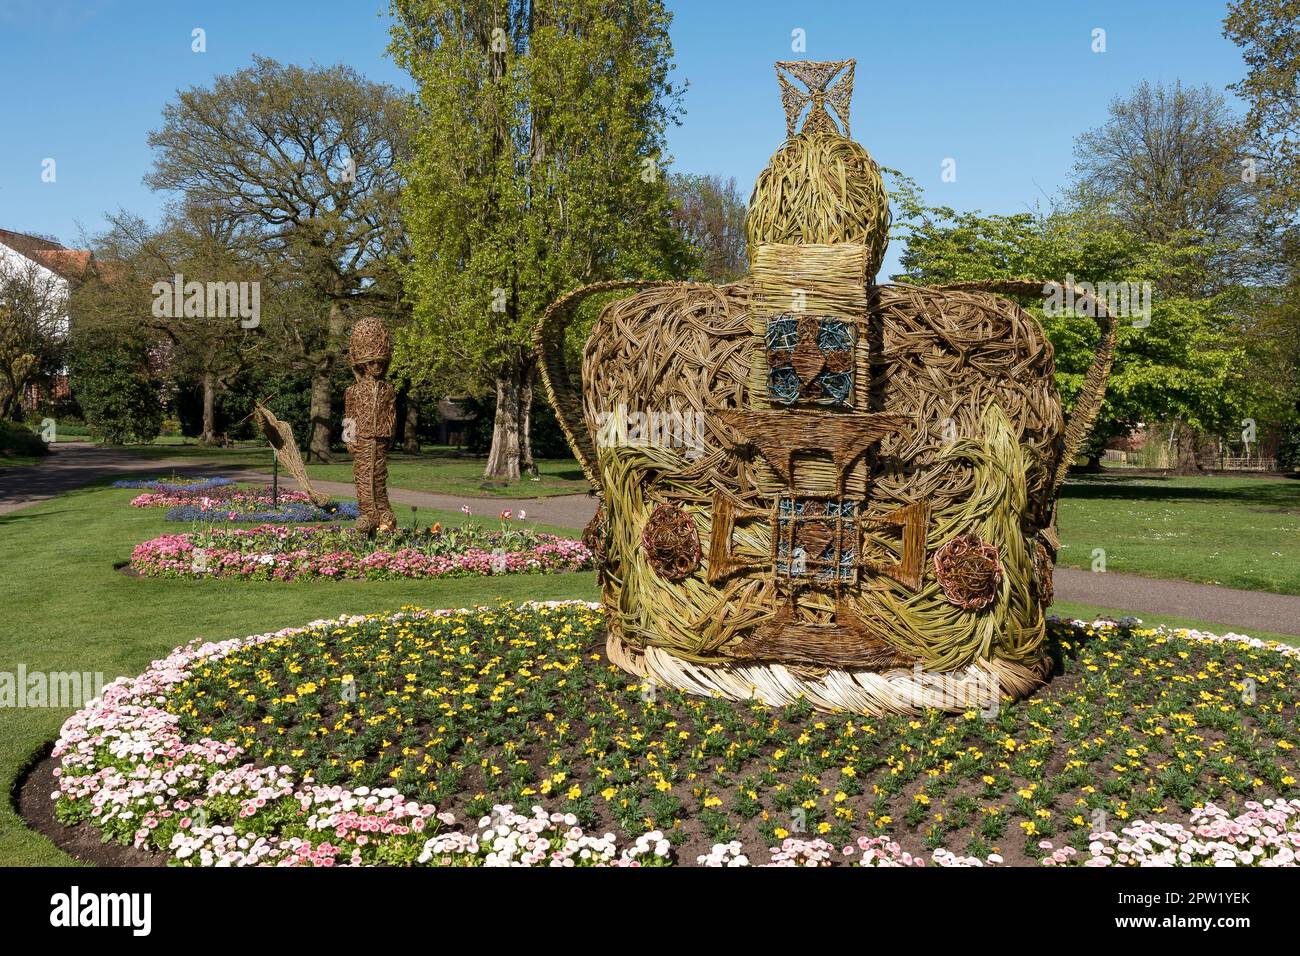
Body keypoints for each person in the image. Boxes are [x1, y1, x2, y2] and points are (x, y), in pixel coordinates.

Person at [344, 316, 397, 533]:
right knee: (364, 476)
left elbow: (392, 415)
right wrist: (349, 439)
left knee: (378, 474)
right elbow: (349, 416)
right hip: (363, 439)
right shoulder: (353, 391)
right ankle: (368, 512)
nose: (376, 367)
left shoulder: (388, 389)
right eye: (371, 362)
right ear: (362, 364)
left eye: (380, 363)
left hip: (380, 438)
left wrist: (390, 435)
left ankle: (383, 511)